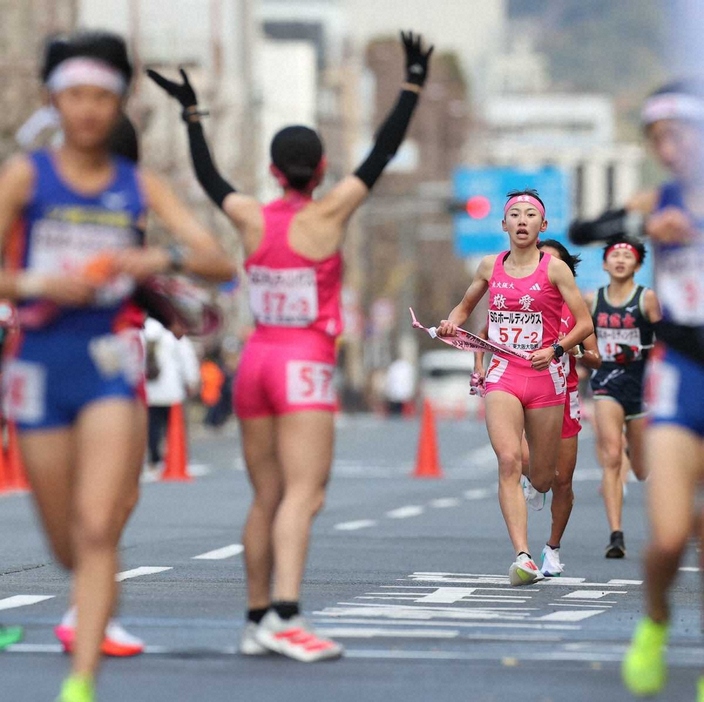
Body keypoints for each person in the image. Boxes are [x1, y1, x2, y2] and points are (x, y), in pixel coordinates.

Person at [148, 31, 433, 661]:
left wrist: (192, 116)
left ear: (275, 171)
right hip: (304, 360)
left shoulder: (250, 215)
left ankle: (255, 620)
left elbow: (208, 174)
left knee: (268, 496)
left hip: (255, 359)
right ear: (321, 170)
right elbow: (382, 154)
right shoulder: (329, 215)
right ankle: (286, 615)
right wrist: (412, 84)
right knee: (307, 494)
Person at [0, 30, 235, 702]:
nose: (89, 109)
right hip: (40, 363)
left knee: (101, 524)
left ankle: (81, 683)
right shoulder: (26, 176)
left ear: (119, 102)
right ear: (56, 99)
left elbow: (219, 263)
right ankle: (87, 591)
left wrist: (158, 258)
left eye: (103, 96)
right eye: (76, 95)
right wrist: (37, 284)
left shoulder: (139, 184)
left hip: (107, 362)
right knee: (69, 537)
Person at [569, 80, 704, 700]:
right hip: (681, 374)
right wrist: (647, 221)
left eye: (679, 134)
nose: (670, 148)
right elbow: (584, 225)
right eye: (658, 139)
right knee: (670, 540)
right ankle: (654, 622)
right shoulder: (664, 198)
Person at [437, 190, 593, 586]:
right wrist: (450, 324)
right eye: (514, 215)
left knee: (543, 477)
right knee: (508, 459)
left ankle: (534, 486)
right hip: (504, 374)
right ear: (503, 224)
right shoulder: (490, 266)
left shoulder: (556, 270)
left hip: (545, 379)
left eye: (530, 216)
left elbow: (584, 324)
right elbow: (464, 307)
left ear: (543, 227)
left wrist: (556, 348)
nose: (522, 221)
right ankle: (523, 556)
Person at [586, 235, 660, 558]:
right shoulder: (593, 299)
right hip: (606, 384)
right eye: (613, 255)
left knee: (642, 470)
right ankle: (616, 534)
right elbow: (581, 337)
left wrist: (644, 350)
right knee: (612, 456)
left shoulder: (647, 299)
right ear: (604, 263)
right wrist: (581, 352)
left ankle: (636, 447)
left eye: (627, 256)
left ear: (638, 265)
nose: (619, 260)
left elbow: (668, 340)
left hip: (642, 388)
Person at [145, 317, 199, 474]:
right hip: (172, 388)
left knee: (153, 425)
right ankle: (173, 456)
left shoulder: (143, 330)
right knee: (174, 426)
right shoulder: (173, 332)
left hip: (150, 388)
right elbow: (186, 358)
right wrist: (191, 380)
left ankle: (154, 459)